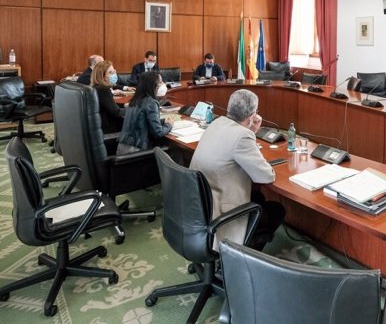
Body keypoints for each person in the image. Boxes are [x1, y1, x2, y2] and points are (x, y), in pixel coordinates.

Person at [190, 89, 285, 251]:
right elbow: (266, 176)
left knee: (258, 197)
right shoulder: (242, 136)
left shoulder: (217, 122)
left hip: (198, 203)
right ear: (252, 115)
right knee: (276, 210)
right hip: (217, 211)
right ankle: (237, 259)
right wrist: (250, 133)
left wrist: (249, 131)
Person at [117, 71, 173, 154]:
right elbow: (158, 132)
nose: (163, 84)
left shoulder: (135, 99)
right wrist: (169, 125)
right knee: (175, 151)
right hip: (137, 153)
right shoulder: (151, 102)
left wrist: (162, 121)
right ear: (152, 85)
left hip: (123, 149)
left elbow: (142, 122)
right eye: (160, 82)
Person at [90, 60, 126, 134]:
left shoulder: (95, 87)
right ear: (103, 77)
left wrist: (124, 105)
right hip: (110, 132)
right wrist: (134, 108)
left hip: (100, 130)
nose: (114, 74)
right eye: (110, 73)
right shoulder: (104, 89)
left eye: (114, 71)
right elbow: (116, 112)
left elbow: (106, 106)